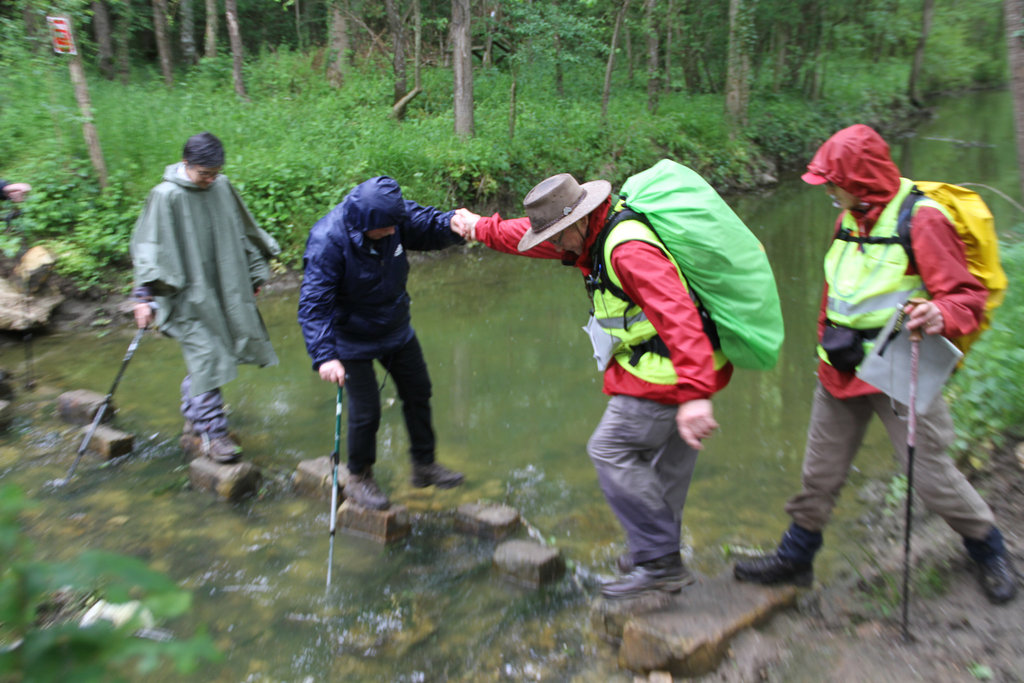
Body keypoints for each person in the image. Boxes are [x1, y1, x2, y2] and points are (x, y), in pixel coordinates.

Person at [732, 124, 1018, 605]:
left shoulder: (922, 220)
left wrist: (939, 313)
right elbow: (837, 287)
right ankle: (796, 559)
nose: (828, 190)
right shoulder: (850, 214)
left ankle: (989, 549)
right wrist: (825, 340)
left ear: (859, 182)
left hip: (899, 368)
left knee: (931, 478)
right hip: (840, 369)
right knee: (818, 473)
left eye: (833, 182)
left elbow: (967, 296)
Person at [453, 171, 732, 599]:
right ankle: (656, 553)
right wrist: (478, 227)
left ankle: (659, 562)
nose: (555, 246)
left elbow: (678, 314)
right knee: (667, 465)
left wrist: (695, 394)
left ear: (578, 222)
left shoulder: (627, 250)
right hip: (689, 363)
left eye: (558, 236)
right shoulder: (588, 234)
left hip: (672, 369)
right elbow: (524, 235)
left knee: (610, 449)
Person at [298, 176, 466, 511]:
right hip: (351, 339)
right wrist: (325, 355)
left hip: (394, 327)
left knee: (419, 391)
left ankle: (424, 465)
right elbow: (314, 304)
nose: (393, 232)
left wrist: (453, 224)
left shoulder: (390, 218)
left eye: (395, 225)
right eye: (385, 229)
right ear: (363, 225)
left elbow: (425, 224)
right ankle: (359, 476)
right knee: (366, 412)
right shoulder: (328, 240)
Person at [130, 132, 280, 463]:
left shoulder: (221, 186)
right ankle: (214, 434)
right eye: (204, 174)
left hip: (224, 287)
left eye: (215, 172)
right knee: (208, 357)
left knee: (215, 353)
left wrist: (255, 273)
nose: (210, 179)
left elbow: (244, 229)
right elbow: (147, 247)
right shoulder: (165, 196)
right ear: (186, 164)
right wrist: (142, 297)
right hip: (185, 294)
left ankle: (194, 413)